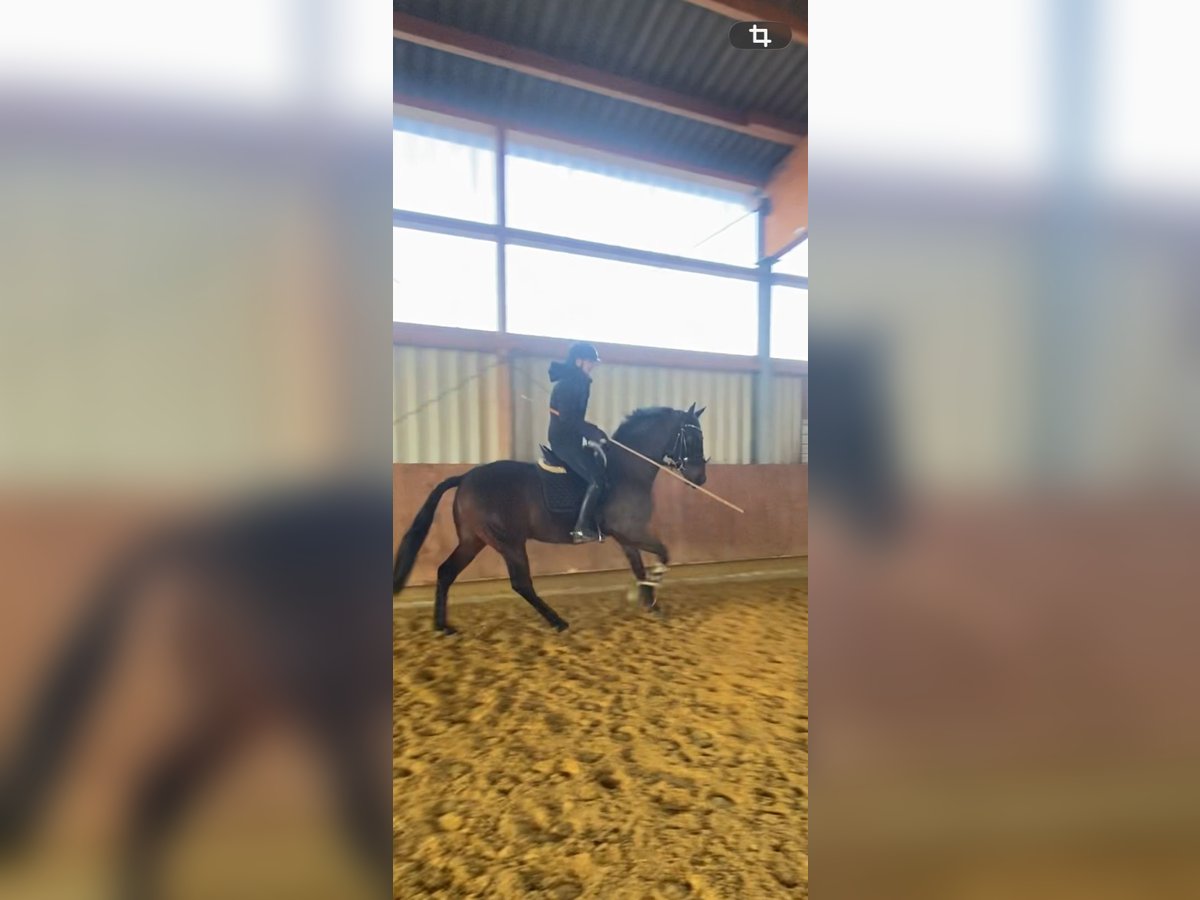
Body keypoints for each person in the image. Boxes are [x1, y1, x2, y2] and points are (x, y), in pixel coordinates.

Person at [547, 342, 608, 543]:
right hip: (563, 441)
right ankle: (581, 528)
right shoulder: (568, 385)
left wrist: (593, 433)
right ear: (578, 361)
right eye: (590, 362)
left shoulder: (578, 382)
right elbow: (568, 419)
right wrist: (592, 432)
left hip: (572, 439)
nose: (592, 366)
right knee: (596, 480)